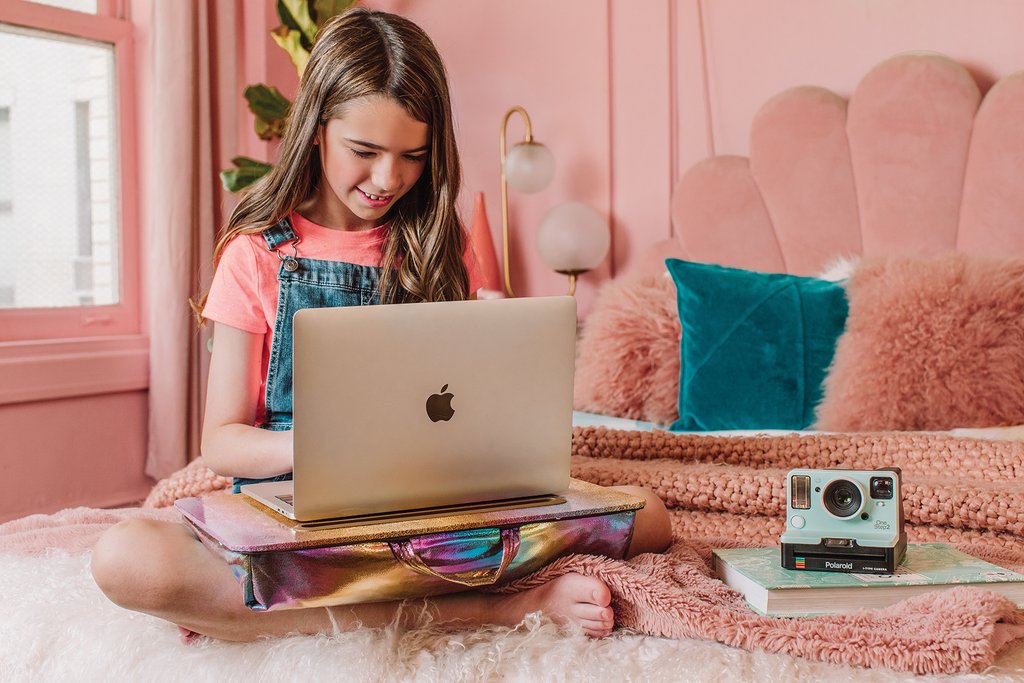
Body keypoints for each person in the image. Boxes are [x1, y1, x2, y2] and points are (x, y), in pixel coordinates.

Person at [90, 7, 671, 642]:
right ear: (315, 129)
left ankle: (334, 604)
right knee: (127, 558)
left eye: (412, 155)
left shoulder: (441, 245)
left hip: (433, 504)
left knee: (649, 517)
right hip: (303, 515)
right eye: (363, 151)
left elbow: (467, 405)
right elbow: (223, 443)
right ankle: (486, 607)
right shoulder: (257, 254)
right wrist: (330, 452)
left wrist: (504, 377)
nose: (388, 178)